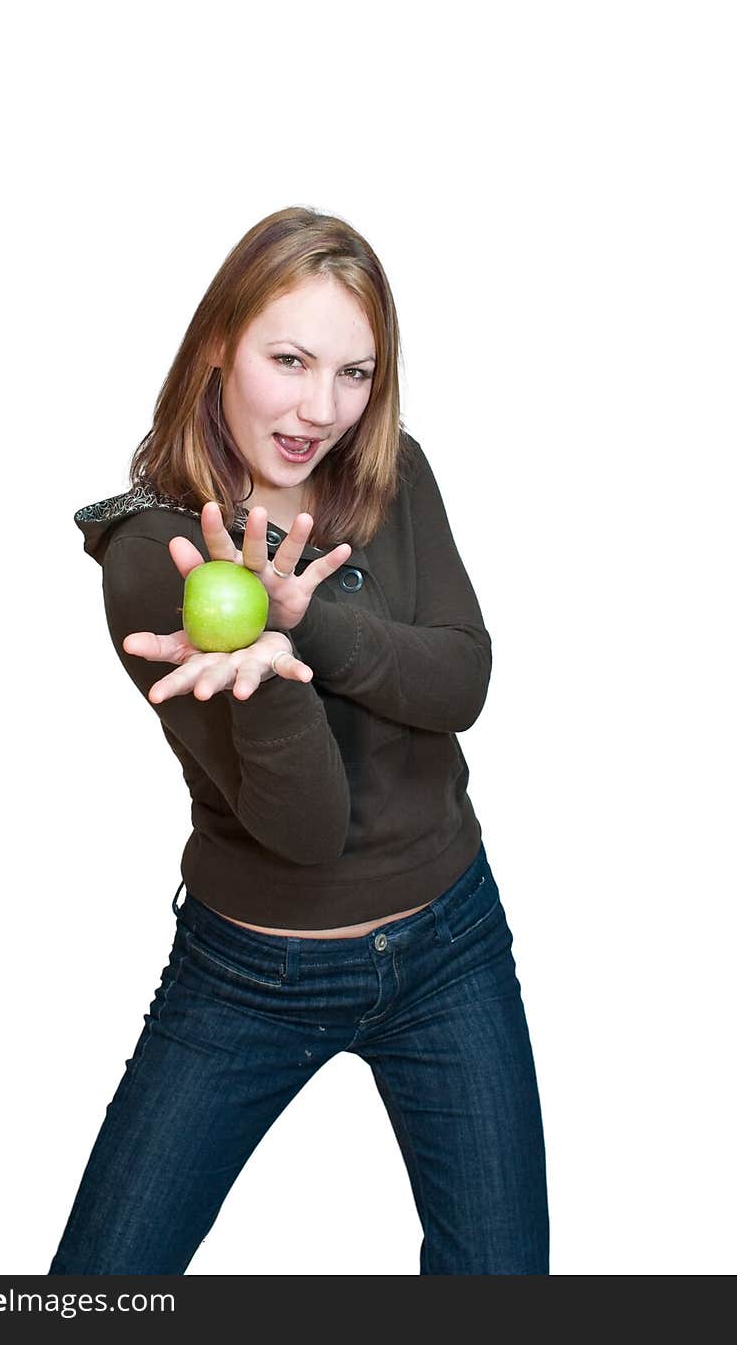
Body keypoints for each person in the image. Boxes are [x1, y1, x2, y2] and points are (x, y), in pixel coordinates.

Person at [48, 206, 549, 1275]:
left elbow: (461, 677)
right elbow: (305, 830)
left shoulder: (390, 472)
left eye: (355, 373)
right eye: (290, 360)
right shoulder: (157, 553)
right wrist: (271, 681)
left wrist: (304, 618)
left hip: (450, 941)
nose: (321, 409)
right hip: (251, 971)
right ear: (219, 341)